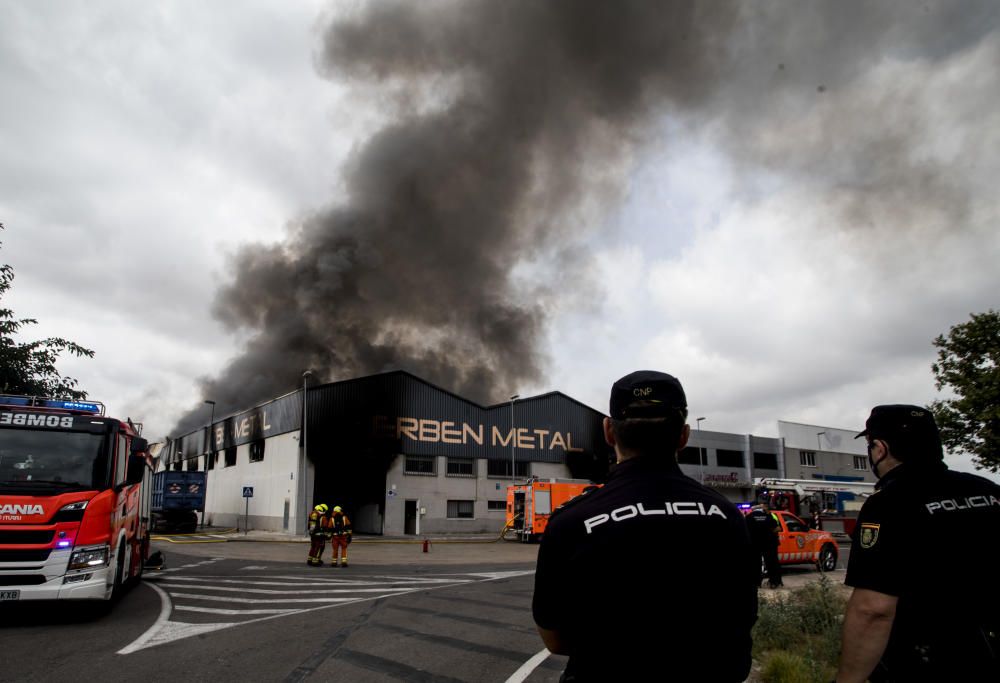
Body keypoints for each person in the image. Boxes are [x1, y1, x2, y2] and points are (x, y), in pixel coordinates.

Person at [532, 370, 758, 682]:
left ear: (609, 432)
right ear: (684, 436)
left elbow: (555, 639)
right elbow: (742, 619)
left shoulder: (571, 522)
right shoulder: (727, 516)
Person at [836, 405, 1000, 682]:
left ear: (880, 448)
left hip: (926, 661)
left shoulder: (888, 504)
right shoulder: (989, 491)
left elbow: (873, 609)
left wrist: (847, 679)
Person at [747, 502, 783, 588]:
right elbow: (778, 528)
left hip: (754, 544)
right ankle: (774, 582)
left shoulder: (748, 518)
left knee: (755, 563)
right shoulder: (769, 517)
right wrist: (768, 532)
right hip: (769, 543)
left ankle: (756, 583)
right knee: (771, 563)